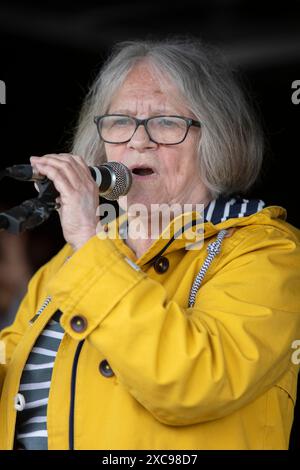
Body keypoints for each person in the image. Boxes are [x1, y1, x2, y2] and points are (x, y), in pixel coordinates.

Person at [0, 37, 300, 451]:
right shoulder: (69, 264)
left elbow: (193, 381)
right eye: (120, 121)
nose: (138, 141)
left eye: (166, 122)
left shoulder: (267, 253)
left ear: (217, 138)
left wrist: (88, 240)